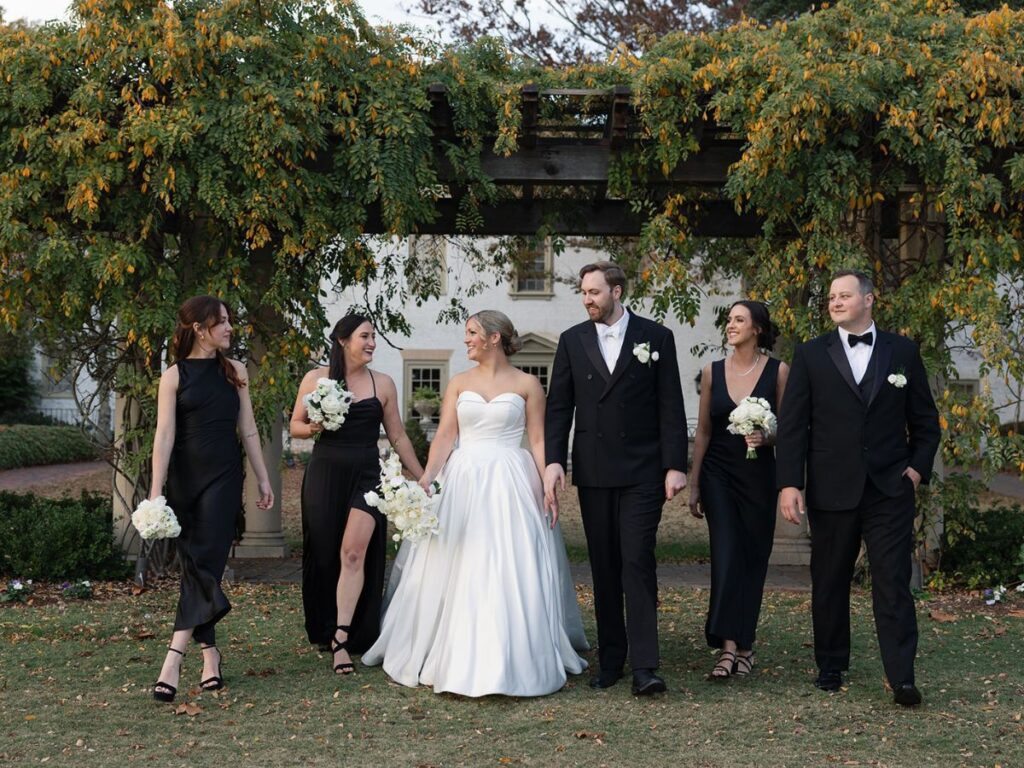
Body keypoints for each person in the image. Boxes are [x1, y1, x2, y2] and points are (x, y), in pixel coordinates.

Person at [362, 310, 588, 697]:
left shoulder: (528, 384)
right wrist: (428, 478)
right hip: (464, 478)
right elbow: (446, 436)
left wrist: (548, 480)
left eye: (472, 333)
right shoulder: (459, 382)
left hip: (512, 481)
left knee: (509, 561)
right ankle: (453, 648)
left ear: (494, 337)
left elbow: (537, 440)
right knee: (459, 558)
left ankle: (513, 651)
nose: (466, 339)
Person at [776, 270, 940, 707]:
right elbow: (793, 427)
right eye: (831, 296)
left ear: (869, 299)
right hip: (831, 488)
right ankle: (831, 664)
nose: (835, 302)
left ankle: (901, 677)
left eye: (844, 295)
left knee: (893, 582)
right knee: (828, 581)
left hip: (890, 489)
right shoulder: (810, 355)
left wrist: (916, 471)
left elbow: (925, 422)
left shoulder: (902, 350)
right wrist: (790, 483)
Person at [543, 262, 688, 696]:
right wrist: (554, 460)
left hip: (643, 469)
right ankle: (611, 660)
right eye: (583, 292)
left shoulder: (656, 337)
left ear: (617, 292)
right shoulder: (571, 341)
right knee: (604, 565)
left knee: (636, 560)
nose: (587, 299)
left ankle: (646, 666)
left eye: (594, 292)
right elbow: (558, 407)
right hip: (594, 470)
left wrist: (675, 464)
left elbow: (671, 405)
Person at [150, 295, 275, 702]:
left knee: (205, 560)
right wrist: (155, 492)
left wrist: (262, 478)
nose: (229, 328)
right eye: (221, 322)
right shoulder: (173, 375)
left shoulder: (235, 371)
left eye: (229, 321)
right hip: (186, 482)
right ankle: (211, 654)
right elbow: (164, 436)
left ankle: (173, 656)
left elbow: (249, 430)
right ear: (199, 329)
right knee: (196, 566)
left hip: (224, 478)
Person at [290, 314, 423, 674]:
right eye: (365, 336)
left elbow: (397, 436)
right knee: (323, 554)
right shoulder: (315, 379)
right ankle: (324, 624)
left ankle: (342, 637)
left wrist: (422, 476)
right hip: (325, 473)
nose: (372, 343)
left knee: (353, 553)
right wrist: (315, 424)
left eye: (373, 336)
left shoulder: (383, 384)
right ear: (343, 340)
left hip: (367, 475)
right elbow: (295, 425)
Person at [688, 301, 789, 679]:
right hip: (718, 474)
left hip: (760, 476)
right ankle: (727, 648)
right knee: (726, 553)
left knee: (753, 558)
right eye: (729, 320)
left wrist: (768, 435)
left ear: (758, 328)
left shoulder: (779, 372)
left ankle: (746, 645)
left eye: (739, 320)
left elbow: (789, 428)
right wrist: (695, 483)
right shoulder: (712, 372)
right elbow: (703, 432)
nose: (730, 325)